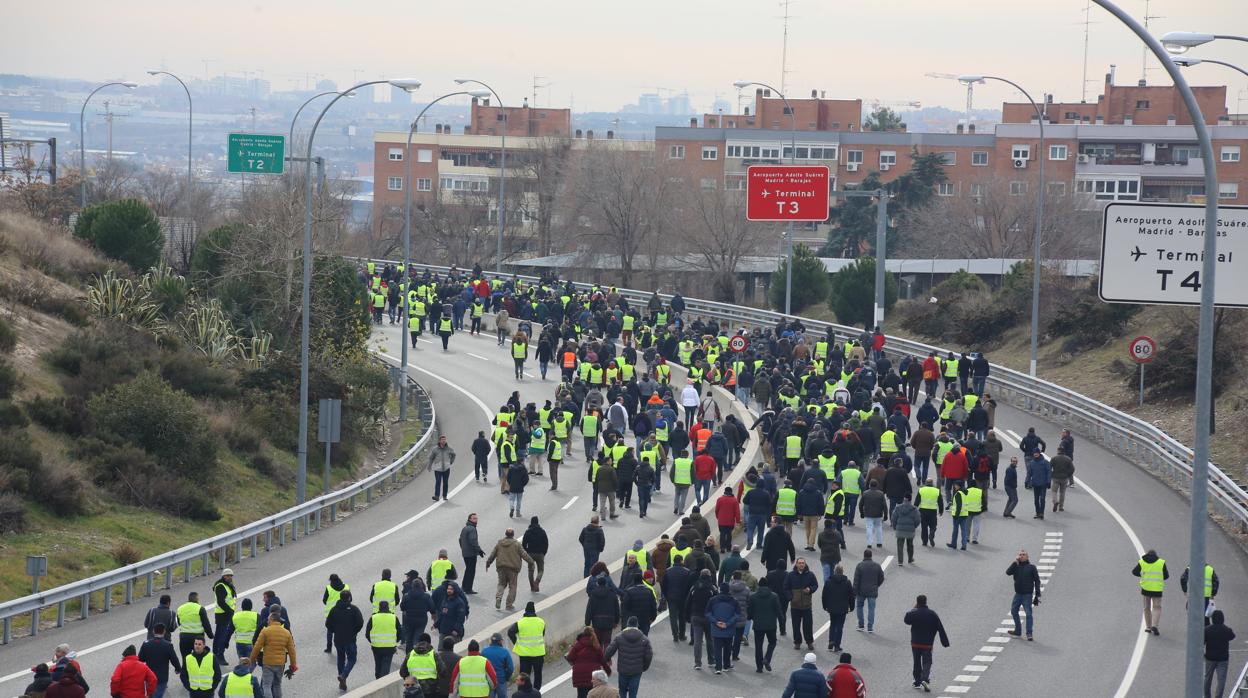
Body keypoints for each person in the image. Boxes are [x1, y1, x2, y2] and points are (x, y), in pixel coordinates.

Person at [903, 594, 950, 692]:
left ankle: (917, 682)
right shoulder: (932, 614)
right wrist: (945, 642)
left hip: (915, 643)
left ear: (917, 602)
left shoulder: (914, 613)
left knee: (916, 662)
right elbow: (940, 628)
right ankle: (925, 679)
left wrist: (913, 609)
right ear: (926, 602)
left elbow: (906, 620)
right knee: (927, 662)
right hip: (927, 644)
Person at [249, 611, 297, 698]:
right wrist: (293, 665)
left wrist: (252, 659)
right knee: (277, 685)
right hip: (280, 664)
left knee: (266, 685)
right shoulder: (286, 633)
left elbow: (257, 647)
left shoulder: (265, 631)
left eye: (268, 620)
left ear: (272, 619)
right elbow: (292, 650)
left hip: (268, 663)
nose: (267, 621)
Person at [487, 527, 534, 612]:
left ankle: (498, 597)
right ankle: (509, 604)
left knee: (501, 584)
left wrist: (488, 562)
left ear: (505, 534)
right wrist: (531, 562)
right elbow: (524, 554)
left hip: (501, 567)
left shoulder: (500, 543)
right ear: (513, 535)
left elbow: (493, 554)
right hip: (513, 568)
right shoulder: (516, 544)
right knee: (512, 586)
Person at [325, 589, 364, 691]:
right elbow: (360, 623)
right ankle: (344, 675)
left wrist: (335, 630)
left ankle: (342, 680)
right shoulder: (354, 609)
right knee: (352, 659)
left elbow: (328, 624)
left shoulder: (334, 610)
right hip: (350, 639)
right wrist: (354, 631)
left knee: (341, 658)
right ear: (349, 597)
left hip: (338, 639)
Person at [605, 617, 653, 698]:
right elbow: (649, 655)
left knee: (622, 691)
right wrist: (644, 667)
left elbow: (609, 651)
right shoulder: (644, 639)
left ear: (627, 625)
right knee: (633, 693)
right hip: (636, 671)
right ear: (637, 625)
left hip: (623, 670)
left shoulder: (619, 637)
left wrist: (607, 659)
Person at [508, 601, 547, 690]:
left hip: (525, 654)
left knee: (524, 675)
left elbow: (510, 632)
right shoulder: (541, 622)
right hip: (538, 653)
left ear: (525, 612)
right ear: (534, 612)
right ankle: (536, 691)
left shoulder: (520, 622)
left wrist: (517, 643)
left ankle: (522, 691)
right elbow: (542, 634)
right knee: (538, 674)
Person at [747, 578, 782, 672]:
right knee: (772, 642)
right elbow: (778, 610)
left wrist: (750, 617)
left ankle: (759, 667)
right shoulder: (774, 596)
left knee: (758, 646)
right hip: (771, 624)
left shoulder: (753, 596)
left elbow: (749, 611)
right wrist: (781, 621)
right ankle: (767, 658)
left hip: (758, 625)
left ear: (758, 585)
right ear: (767, 585)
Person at [706, 582, 741, 674]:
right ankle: (726, 665)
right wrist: (728, 623)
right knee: (728, 647)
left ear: (720, 590)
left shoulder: (712, 600)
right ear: (729, 590)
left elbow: (708, 613)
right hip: (729, 628)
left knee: (717, 648)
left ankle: (718, 667)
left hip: (716, 628)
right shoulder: (734, 601)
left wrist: (716, 622)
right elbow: (737, 615)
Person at [1006, 550, 1042, 641]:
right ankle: (1018, 631)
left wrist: (1037, 594)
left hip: (1027, 595)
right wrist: (1015, 562)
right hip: (1018, 594)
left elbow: (1037, 581)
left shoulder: (1031, 567)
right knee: (1014, 611)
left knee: (1028, 614)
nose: (1021, 556)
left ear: (1027, 557)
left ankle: (1029, 633)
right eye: (1020, 555)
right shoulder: (1016, 566)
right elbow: (1008, 572)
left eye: (1023, 555)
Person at [784, 558, 819, 651]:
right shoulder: (790, 575)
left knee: (808, 625)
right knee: (796, 625)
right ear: (796, 564)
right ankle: (797, 642)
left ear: (805, 564)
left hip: (807, 605)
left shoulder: (810, 575)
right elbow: (786, 587)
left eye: (803, 563)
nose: (801, 565)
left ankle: (809, 642)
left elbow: (815, 585)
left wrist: (810, 589)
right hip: (795, 606)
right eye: (799, 563)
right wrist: (790, 597)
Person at [1133, 549, 1170, 635]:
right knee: (1157, 607)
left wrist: (1143, 574)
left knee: (1147, 607)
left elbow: (1134, 572)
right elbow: (1166, 576)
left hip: (1146, 588)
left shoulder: (1142, 562)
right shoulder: (1161, 562)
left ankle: (1148, 627)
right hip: (1157, 589)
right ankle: (1155, 625)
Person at [566, 628, 611, 698]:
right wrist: (608, 671)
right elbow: (603, 661)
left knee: (581, 695)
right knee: (593, 695)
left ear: (583, 634)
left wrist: (577, 662)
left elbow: (569, 658)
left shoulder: (578, 645)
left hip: (580, 675)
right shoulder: (596, 646)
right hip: (593, 676)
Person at [139, 623, 181, 698]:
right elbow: (174, 660)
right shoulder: (168, 645)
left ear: (153, 631)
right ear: (164, 632)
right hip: (162, 678)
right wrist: (178, 669)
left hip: (149, 676)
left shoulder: (146, 644)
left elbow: (140, 659)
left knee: (150, 695)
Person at [821, 564, 854, 653]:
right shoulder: (847, 582)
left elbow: (824, 595)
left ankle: (831, 640)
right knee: (839, 626)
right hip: (842, 608)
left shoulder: (828, 582)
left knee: (833, 624)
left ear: (834, 571)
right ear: (842, 572)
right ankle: (837, 645)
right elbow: (851, 596)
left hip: (832, 607)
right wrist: (852, 606)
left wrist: (825, 606)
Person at [367, 600, 402, 680]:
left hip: (376, 646)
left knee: (378, 664)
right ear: (388, 607)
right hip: (390, 647)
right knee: (386, 666)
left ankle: (378, 679)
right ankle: (382, 681)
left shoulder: (373, 617)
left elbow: (367, 633)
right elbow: (400, 632)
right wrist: (395, 641)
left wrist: (372, 641)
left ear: (379, 607)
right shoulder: (394, 617)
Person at [1204, 610, 1236, 698]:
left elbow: (1202, 642)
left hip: (1210, 658)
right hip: (1223, 659)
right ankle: (1218, 696)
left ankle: (1207, 696)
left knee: (1207, 679)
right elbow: (1232, 636)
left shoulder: (1207, 630)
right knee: (1221, 681)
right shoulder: (1226, 630)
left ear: (1213, 619)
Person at [853, 549, 885, 633]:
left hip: (861, 591)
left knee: (859, 607)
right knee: (871, 609)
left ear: (864, 556)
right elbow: (881, 578)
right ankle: (870, 627)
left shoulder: (859, 566)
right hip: (872, 591)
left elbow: (856, 580)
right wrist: (876, 585)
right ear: (871, 556)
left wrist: (854, 593)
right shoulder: (877, 566)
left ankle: (861, 625)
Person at [177, 591, 214, 660]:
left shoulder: (180, 608)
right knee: (199, 658)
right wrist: (210, 635)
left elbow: (179, 622)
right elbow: (206, 624)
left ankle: (185, 670)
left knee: (185, 659)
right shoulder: (200, 608)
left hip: (184, 637)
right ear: (197, 599)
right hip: (197, 638)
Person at [481, 633, 515, 698]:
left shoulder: (484, 651)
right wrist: (506, 677)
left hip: (488, 681)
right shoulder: (505, 652)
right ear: (500, 641)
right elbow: (510, 668)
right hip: (501, 679)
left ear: (491, 641)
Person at [522, 516, 549, 593]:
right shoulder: (542, 531)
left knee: (530, 570)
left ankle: (532, 586)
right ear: (537, 522)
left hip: (530, 553)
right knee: (541, 570)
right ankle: (537, 581)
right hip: (540, 553)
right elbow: (546, 543)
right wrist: (544, 552)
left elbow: (523, 544)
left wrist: (527, 552)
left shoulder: (528, 532)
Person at [460, 513, 485, 595]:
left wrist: (463, 548)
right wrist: (479, 550)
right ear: (470, 519)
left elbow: (460, 540)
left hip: (465, 553)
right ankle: (468, 588)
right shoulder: (472, 529)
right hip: (471, 554)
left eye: (476, 518)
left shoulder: (465, 528)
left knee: (468, 569)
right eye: (474, 518)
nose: (476, 520)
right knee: (471, 571)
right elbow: (473, 540)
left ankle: (464, 586)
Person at [892, 497, 921, 566]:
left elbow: (894, 518)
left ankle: (900, 561)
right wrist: (914, 526)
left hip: (900, 529)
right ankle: (910, 559)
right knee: (910, 544)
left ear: (904, 499)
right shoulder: (914, 509)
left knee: (900, 546)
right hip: (910, 530)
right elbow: (918, 520)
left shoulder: (898, 508)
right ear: (911, 500)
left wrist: (895, 527)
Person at [429, 435, 456, 502]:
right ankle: (437, 496)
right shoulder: (435, 449)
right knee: (438, 482)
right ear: (439, 441)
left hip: (446, 468)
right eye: (442, 440)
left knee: (445, 482)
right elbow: (431, 458)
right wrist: (429, 466)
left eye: (444, 439)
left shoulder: (449, 448)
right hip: (438, 469)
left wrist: (451, 462)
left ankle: (444, 496)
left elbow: (453, 455)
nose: (444, 441)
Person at [1025, 450, 1051, 519]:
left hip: (1043, 484)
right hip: (1035, 484)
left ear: (1039, 454)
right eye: (1034, 453)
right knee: (1036, 500)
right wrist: (1026, 481)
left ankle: (1042, 513)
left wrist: (1048, 481)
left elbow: (1049, 472)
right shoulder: (1031, 463)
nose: (1035, 454)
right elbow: (1029, 473)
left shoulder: (1045, 462)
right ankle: (1037, 513)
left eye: (1036, 453)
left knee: (1042, 499)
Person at [1049, 446, 1073, 513]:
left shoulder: (1054, 458)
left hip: (1056, 477)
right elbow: (1072, 468)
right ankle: (1061, 507)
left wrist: (1051, 474)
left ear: (1058, 451)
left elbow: (1049, 467)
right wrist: (1068, 475)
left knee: (1054, 491)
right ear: (1064, 451)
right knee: (1062, 492)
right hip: (1064, 478)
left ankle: (1055, 501)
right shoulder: (1068, 459)